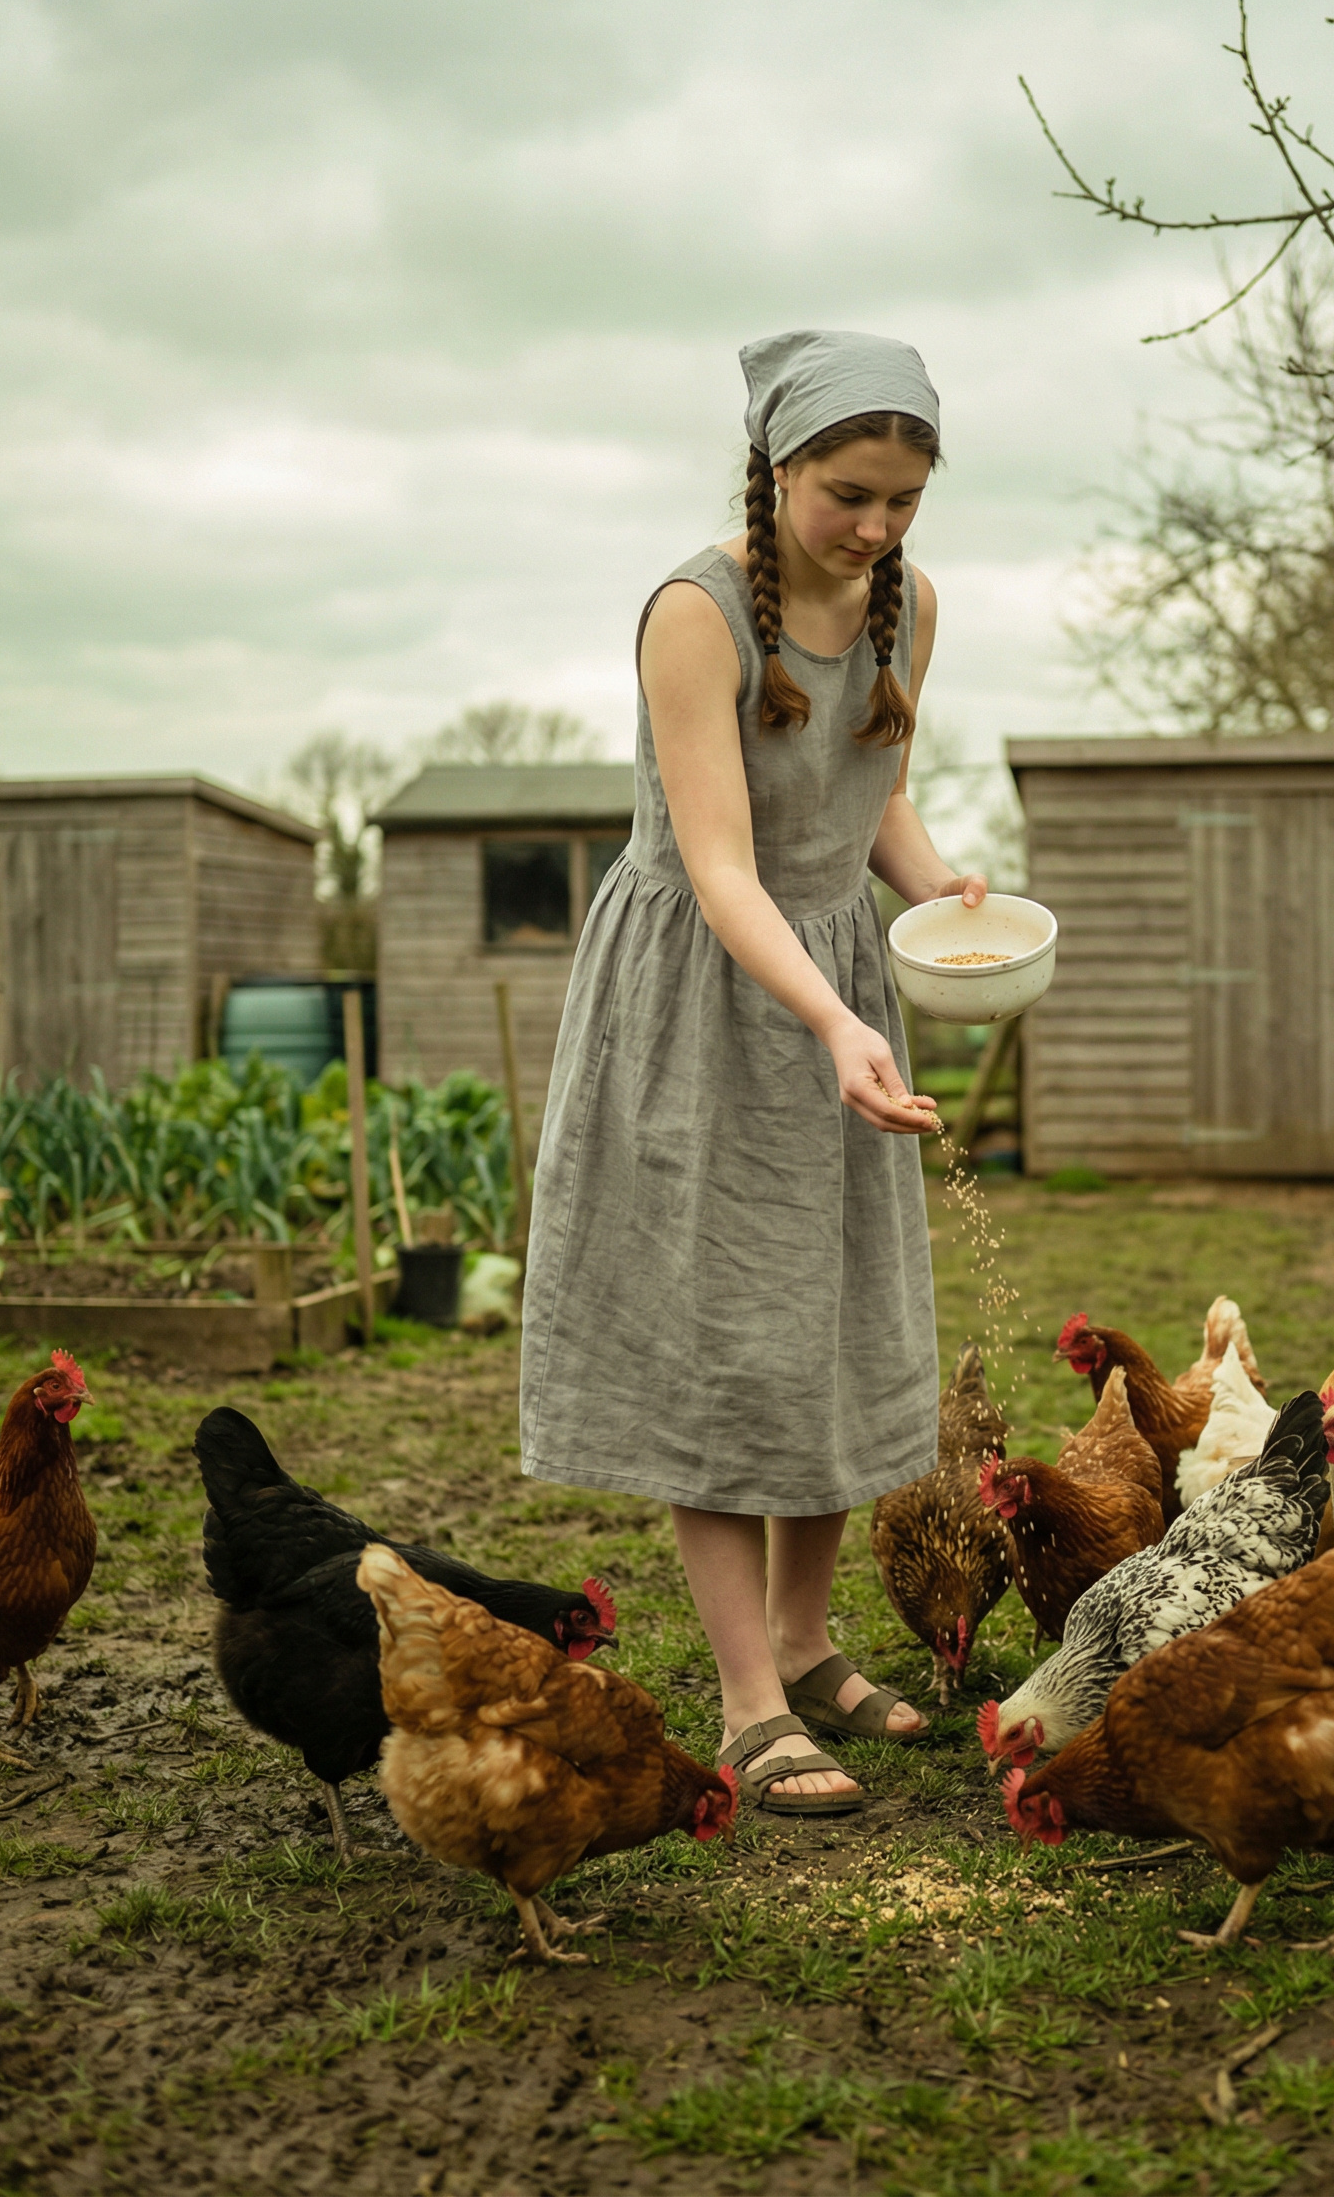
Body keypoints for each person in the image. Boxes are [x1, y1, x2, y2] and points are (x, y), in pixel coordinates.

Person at [520, 328, 985, 1811]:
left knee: (832, 1317)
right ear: (778, 465)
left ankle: (807, 1641)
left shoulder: (912, 608)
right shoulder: (696, 613)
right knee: (720, 1336)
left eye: (906, 499)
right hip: (706, 998)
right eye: (850, 494)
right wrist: (830, 1022)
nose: (878, 527)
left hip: (837, 979)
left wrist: (953, 899)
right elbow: (722, 868)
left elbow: (874, 809)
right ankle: (743, 1698)